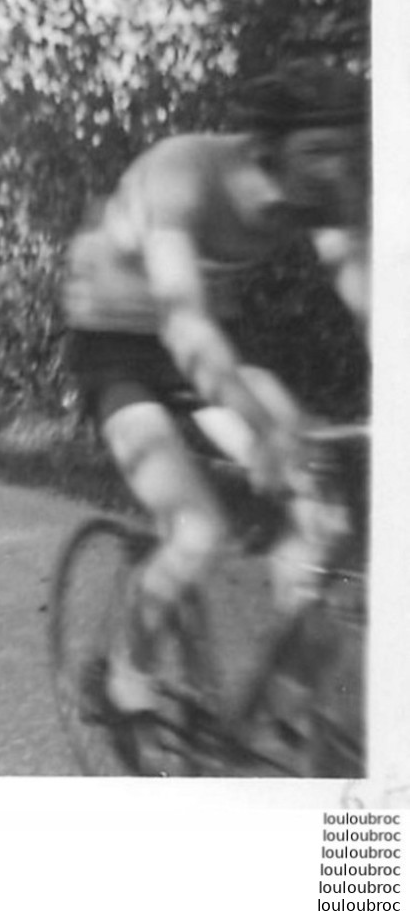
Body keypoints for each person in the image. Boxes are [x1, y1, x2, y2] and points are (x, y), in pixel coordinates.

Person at [61, 60, 369, 721]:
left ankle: (288, 710)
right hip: (120, 348)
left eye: (347, 150)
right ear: (266, 148)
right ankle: (121, 677)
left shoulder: (322, 185)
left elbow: (367, 293)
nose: (334, 168)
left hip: (212, 346)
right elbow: (184, 324)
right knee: (198, 530)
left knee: (328, 514)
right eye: (316, 150)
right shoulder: (183, 173)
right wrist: (272, 429)